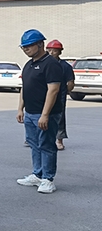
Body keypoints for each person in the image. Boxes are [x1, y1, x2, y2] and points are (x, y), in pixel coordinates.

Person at [16, 30, 63, 194]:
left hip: (45, 114)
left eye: (29, 46)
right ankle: (37, 174)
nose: (26, 49)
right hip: (30, 112)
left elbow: (53, 90)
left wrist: (45, 114)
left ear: (40, 44)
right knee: (34, 144)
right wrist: (20, 108)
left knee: (47, 145)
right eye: (23, 47)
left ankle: (48, 179)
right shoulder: (28, 65)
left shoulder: (50, 64)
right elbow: (24, 88)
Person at [46, 39, 75, 151]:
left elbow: (70, 82)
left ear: (60, 52)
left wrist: (65, 91)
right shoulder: (44, 64)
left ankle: (59, 139)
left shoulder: (65, 66)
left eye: (54, 51)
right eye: (49, 50)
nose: (51, 53)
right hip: (44, 94)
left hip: (59, 95)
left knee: (60, 117)